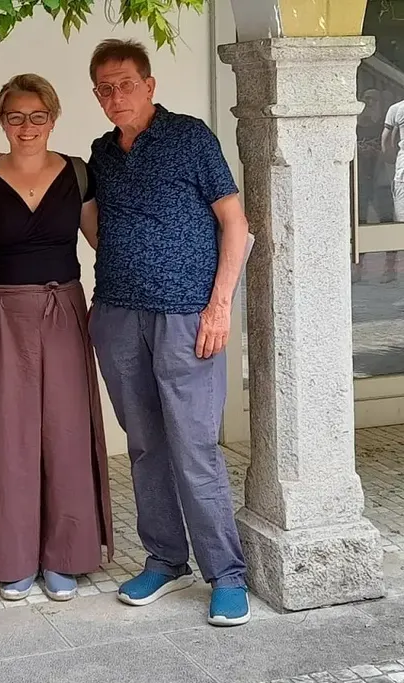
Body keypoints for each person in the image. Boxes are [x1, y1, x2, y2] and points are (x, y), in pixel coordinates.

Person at [84, 39, 252, 626]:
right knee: (146, 444)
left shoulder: (190, 136)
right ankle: (165, 557)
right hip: (117, 315)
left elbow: (235, 224)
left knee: (195, 445)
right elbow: (93, 222)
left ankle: (227, 574)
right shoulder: (102, 154)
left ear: (150, 86)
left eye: (125, 83)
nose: (115, 96)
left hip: (187, 317)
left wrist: (220, 306)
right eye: (104, 87)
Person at [0, 74, 112, 601]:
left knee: (64, 433)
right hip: (2, 313)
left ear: (53, 118)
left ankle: (65, 555)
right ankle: (13, 557)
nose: (26, 126)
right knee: (8, 439)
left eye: (37, 116)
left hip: (64, 309)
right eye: (16, 116)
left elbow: (103, 241)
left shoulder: (79, 174)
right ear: (2, 119)